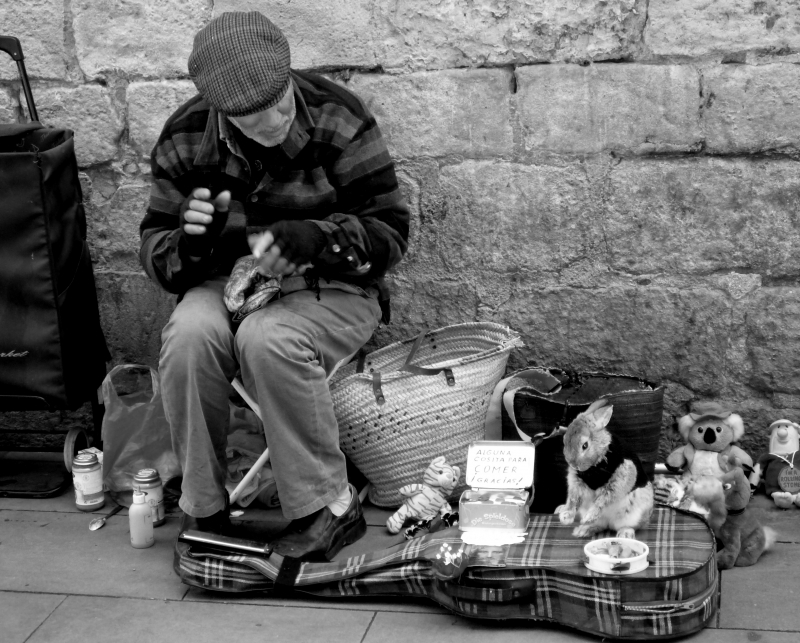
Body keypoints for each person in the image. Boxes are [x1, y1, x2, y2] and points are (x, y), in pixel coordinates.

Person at [139, 11, 409, 560]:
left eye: (281, 103)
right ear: (221, 111)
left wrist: (316, 238)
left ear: (288, 75)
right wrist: (192, 245)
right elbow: (157, 253)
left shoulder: (339, 116)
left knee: (269, 337)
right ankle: (205, 507)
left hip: (330, 286)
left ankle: (326, 509)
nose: (274, 122)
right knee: (189, 335)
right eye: (252, 119)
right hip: (226, 281)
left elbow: (391, 234)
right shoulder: (185, 136)